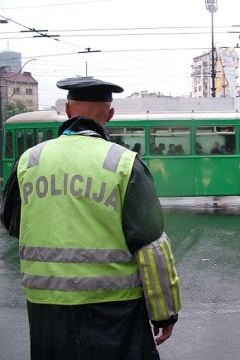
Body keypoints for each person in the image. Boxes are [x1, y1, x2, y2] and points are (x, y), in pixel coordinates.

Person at [0, 77, 182, 360]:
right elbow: (151, 246)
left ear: (69, 111)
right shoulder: (124, 163)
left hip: (46, 308)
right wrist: (164, 313)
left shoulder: (28, 161)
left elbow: (13, 223)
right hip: (115, 311)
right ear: (110, 114)